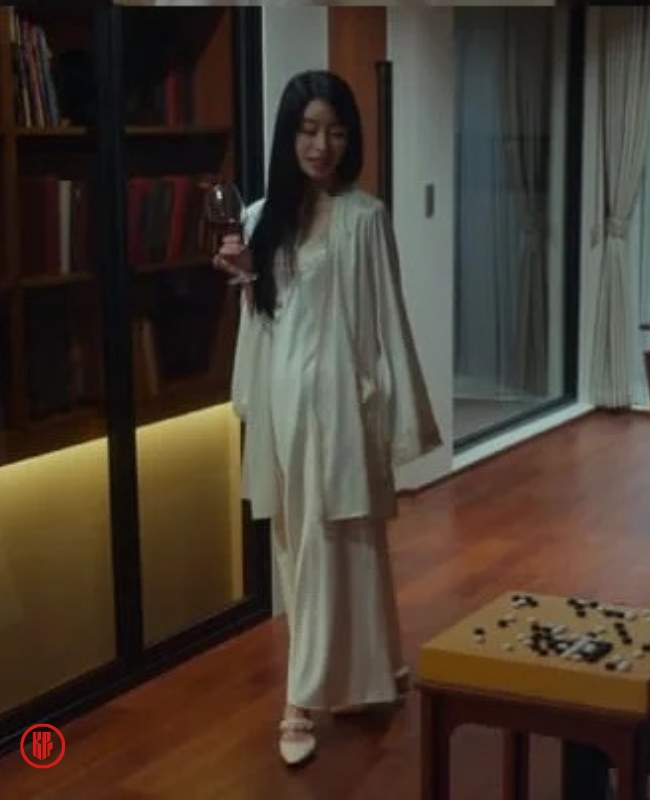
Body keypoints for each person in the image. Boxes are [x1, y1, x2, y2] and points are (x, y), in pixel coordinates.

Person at [214, 70, 441, 767]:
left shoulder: (364, 217)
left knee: (333, 541)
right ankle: (373, 671)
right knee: (303, 544)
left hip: (341, 403)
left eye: (336, 131)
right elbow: (268, 321)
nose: (322, 145)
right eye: (309, 130)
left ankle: (300, 700)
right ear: (288, 135)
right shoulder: (260, 217)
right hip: (284, 402)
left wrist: (393, 412)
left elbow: (386, 320)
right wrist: (244, 278)